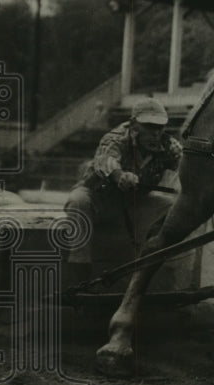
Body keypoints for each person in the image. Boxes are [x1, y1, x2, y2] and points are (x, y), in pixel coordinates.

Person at [62, 98, 183, 282]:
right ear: (134, 125)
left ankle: (153, 261)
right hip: (99, 196)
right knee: (77, 200)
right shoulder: (116, 137)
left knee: (171, 205)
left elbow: (187, 164)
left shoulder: (169, 145)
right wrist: (120, 175)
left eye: (160, 127)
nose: (156, 133)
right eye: (149, 126)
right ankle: (80, 269)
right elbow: (106, 160)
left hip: (135, 201)